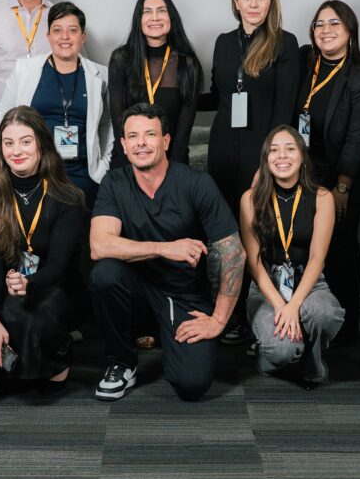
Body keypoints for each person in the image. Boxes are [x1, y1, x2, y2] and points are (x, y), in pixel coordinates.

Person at [89, 103, 246, 402]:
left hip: (183, 296)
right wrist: (165, 248)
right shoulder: (114, 183)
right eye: (133, 136)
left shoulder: (196, 183)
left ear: (166, 141)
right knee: (105, 273)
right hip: (136, 291)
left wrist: (218, 320)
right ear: (123, 145)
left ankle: (168, 337)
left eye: (150, 134)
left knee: (192, 385)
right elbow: (100, 245)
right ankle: (121, 363)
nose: (141, 143)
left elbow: (234, 253)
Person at [207, 0, 300, 344]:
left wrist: (269, 164)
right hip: (222, 150)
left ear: (272, 1)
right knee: (226, 235)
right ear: (235, 2)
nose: (254, 4)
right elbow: (217, 96)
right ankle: (226, 314)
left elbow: (284, 110)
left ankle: (257, 317)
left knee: (258, 235)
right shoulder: (223, 42)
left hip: (261, 154)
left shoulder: (285, 43)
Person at [0, 106, 87, 393]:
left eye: (25, 141)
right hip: (9, 284)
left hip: (56, 287)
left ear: (41, 143)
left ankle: (59, 358)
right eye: (8, 143)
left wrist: (29, 283)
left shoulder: (67, 196)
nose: (16, 151)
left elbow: (59, 267)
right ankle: (16, 365)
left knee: (24, 309)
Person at [296, 0, 360, 345]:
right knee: (305, 244)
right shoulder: (305, 63)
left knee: (340, 246)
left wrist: (342, 187)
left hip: (344, 175)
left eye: (334, 23)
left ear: (350, 30)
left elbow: (358, 139)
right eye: (319, 24)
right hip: (305, 172)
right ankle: (309, 319)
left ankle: (344, 330)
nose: (326, 30)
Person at [240, 125, 344, 387]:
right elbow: (253, 262)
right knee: (282, 350)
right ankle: (271, 355)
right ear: (266, 159)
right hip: (267, 286)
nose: (282, 156)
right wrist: (280, 305)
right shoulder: (250, 199)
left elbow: (317, 258)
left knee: (325, 313)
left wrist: (294, 305)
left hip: (309, 282)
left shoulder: (322, 197)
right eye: (274, 151)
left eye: (290, 149)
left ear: (302, 156)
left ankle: (312, 356)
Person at [0, 1, 113, 208]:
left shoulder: (100, 75)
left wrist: (104, 166)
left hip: (84, 175)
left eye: (72, 30)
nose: (65, 37)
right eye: (57, 30)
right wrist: (1, 164)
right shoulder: (25, 70)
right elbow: (3, 117)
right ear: (48, 36)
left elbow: (107, 124)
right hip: (36, 173)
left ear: (83, 36)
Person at [108, 0, 203, 168]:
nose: (155, 17)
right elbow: (118, 124)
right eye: (147, 12)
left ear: (171, 17)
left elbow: (183, 133)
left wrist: (171, 172)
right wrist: (132, 168)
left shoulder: (187, 63)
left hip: (172, 160)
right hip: (127, 160)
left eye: (161, 11)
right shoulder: (121, 59)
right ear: (139, 19)